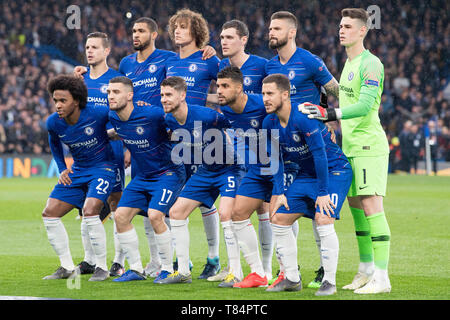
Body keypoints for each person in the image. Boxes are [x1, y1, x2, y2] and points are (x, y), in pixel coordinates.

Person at [300, 8, 392, 294]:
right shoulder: (348, 64)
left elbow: (366, 107)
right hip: (350, 146)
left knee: (372, 208)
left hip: (368, 146)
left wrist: (327, 114)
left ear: (362, 30)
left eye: (348, 26)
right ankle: (365, 270)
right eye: (341, 25)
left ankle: (382, 277)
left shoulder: (371, 63)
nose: (342, 30)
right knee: (357, 211)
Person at [265, 11, 340, 288]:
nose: (271, 32)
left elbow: (337, 92)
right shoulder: (270, 66)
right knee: (285, 207)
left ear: (292, 32)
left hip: (313, 141)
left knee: (317, 212)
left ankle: (323, 270)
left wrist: (328, 117)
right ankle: (289, 270)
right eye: (270, 28)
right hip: (287, 148)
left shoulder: (309, 61)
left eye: (276, 28)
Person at [262, 74, 352, 295]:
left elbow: (320, 155)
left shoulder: (303, 117)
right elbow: (276, 159)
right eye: (264, 93)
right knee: (279, 218)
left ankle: (329, 281)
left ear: (285, 95)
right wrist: (279, 191)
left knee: (323, 217)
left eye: (270, 93)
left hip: (334, 171)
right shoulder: (269, 122)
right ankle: (291, 278)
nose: (265, 98)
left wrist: (323, 192)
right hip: (305, 175)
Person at [156, 76, 244, 285]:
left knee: (226, 214)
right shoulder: (169, 119)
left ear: (182, 95)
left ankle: (235, 271)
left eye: (168, 95)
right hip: (206, 171)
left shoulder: (205, 115)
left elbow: (235, 124)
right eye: (162, 95)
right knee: (176, 212)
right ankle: (184, 272)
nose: (164, 99)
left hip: (229, 168)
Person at [107, 76, 186, 282]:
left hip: (168, 173)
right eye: (108, 92)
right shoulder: (113, 117)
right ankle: (135, 269)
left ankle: (167, 269)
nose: (110, 96)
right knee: (121, 217)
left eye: (116, 92)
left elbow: (179, 120)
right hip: (142, 176)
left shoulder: (153, 114)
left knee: (155, 216)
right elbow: (119, 132)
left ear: (130, 96)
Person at [216, 21, 277, 282]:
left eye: (229, 37)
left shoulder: (263, 65)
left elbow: (281, 96)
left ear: (244, 39)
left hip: (268, 145)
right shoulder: (221, 67)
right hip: (239, 144)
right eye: (221, 37)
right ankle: (249, 270)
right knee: (242, 209)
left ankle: (270, 267)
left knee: (270, 209)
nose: (223, 41)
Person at [165, 9, 222, 278]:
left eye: (184, 27)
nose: (177, 31)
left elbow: (229, 88)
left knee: (205, 202)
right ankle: (183, 260)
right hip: (178, 140)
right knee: (177, 200)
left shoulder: (208, 59)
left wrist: (210, 105)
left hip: (205, 138)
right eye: (175, 26)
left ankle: (213, 258)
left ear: (196, 31)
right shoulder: (171, 63)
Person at [42, 75, 116, 282]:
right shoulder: (53, 122)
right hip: (79, 170)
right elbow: (54, 142)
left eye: (62, 100)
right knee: (49, 213)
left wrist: (125, 142)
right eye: (55, 100)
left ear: (76, 100)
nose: (58, 105)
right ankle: (66, 266)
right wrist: (61, 168)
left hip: (103, 168)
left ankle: (101, 267)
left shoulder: (98, 113)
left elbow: (123, 119)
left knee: (90, 210)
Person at [75, 31, 126, 278]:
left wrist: (125, 145)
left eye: (94, 47)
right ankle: (89, 260)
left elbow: (126, 115)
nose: (89, 51)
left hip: (111, 151)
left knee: (116, 204)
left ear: (107, 51)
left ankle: (118, 260)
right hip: (85, 154)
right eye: (87, 46)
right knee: (85, 206)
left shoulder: (117, 79)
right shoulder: (80, 80)